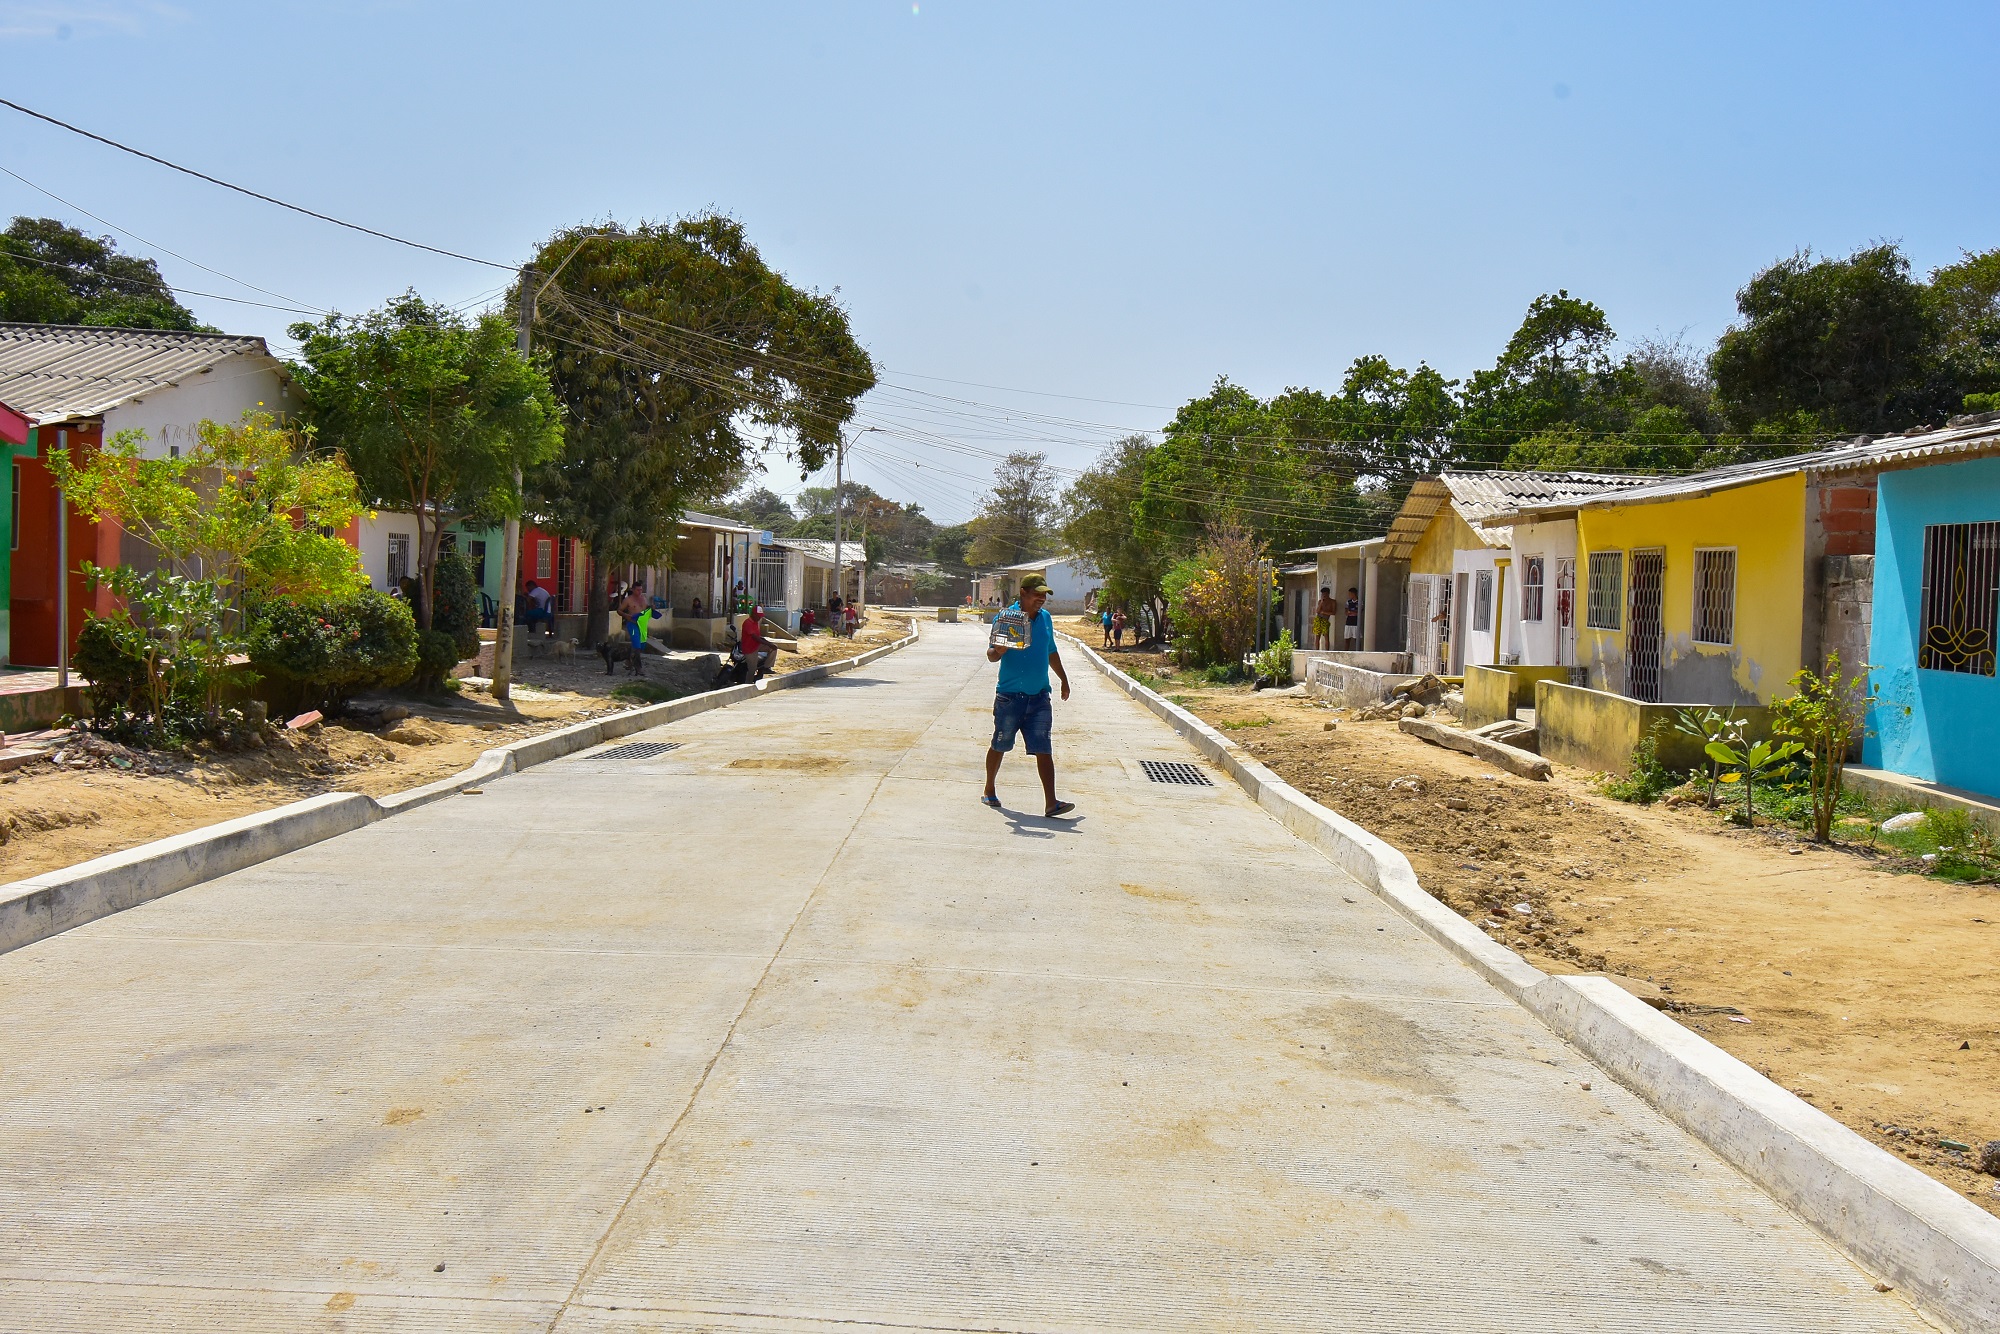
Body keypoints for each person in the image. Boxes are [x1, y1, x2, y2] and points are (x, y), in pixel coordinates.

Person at [982, 573, 1075, 818]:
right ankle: (989, 788)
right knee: (1000, 744)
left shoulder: (1045, 619)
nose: (1042, 599)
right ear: (1023, 593)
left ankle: (1051, 802)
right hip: (1010, 697)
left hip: (1040, 697)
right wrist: (1001, 647)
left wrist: (1063, 679)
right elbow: (992, 655)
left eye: (1044, 595)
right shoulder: (1006, 618)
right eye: (1037, 594)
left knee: (1044, 748)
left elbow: (1051, 651)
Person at [1312, 586, 1336, 651]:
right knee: (1317, 636)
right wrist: (1322, 602)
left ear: (1328, 594)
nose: (1324, 596)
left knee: (1326, 636)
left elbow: (1333, 612)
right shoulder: (1320, 601)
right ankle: (1316, 650)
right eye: (1323, 594)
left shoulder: (1332, 602)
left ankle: (1327, 651)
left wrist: (1324, 612)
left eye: (1325, 594)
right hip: (1318, 619)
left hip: (1325, 620)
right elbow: (1317, 611)